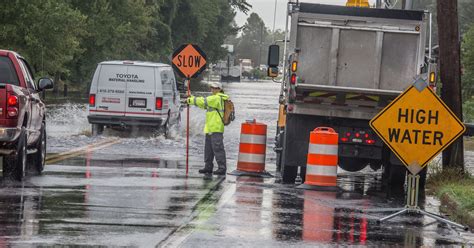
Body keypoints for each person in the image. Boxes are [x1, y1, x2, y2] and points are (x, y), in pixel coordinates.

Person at [187, 82, 229, 175]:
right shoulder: (214, 99)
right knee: (208, 149)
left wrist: (190, 100)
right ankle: (208, 166)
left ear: (219, 89)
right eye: (212, 88)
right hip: (210, 127)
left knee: (217, 148)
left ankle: (222, 168)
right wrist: (192, 97)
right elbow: (203, 104)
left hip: (216, 128)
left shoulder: (217, 98)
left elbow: (203, 101)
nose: (213, 89)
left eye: (215, 88)